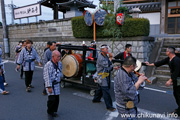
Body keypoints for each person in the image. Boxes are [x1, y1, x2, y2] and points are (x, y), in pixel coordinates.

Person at [145, 46, 180, 115]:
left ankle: (179, 111)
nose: (166, 52)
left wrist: (170, 80)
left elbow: (177, 71)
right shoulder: (169, 59)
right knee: (176, 94)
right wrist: (150, 64)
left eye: (166, 51)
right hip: (176, 79)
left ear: (169, 52)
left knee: (178, 94)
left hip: (179, 79)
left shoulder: (177, 60)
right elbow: (160, 62)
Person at [92, 44, 116, 112]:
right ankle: (109, 106)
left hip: (105, 74)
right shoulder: (100, 57)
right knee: (106, 90)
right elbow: (107, 65)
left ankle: (96, 99)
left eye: (107, 48)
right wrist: (111, 58)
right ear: (102, 50)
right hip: (101, 75)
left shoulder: (105, 57)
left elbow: (110, 64)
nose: (107, 50)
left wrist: (112, 66)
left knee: (100, 88)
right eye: (106, 49)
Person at [43, 50, 63, 118]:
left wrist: (60, 77)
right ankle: (50, 111)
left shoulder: (59, 63)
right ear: (53, 56)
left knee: (57, 99)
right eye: (57, 57)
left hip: (56, 83)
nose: (59, 58)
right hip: (51, 84)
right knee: (51, 99)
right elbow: (46, 76)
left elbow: (60, 71)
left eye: (59, 57)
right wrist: (49, 87)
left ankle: (54, 111)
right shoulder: (48, 64)